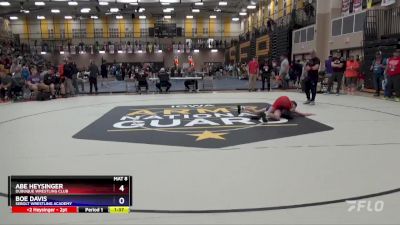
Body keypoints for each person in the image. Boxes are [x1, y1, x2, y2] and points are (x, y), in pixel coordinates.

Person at [237, 96, 315, 122]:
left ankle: (243, 107)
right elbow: (301, 113)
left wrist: (310, 113)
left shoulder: (288, 106)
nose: (293, 109)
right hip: (276, 107)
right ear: (293, 105)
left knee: (256, 111)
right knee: (277, 117)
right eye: (294, 107)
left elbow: (302, 113)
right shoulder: (289, 106)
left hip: (273, 106)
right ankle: (265, 114)